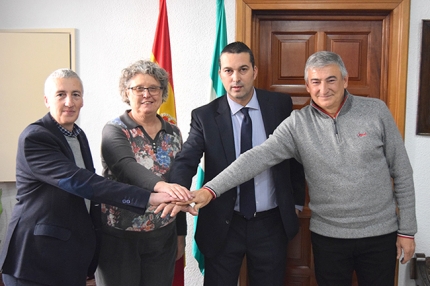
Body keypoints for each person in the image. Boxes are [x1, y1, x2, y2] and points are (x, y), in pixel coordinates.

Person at [190, 51, 417, 286]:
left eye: (331, 80)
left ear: (345, 81)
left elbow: (402, 171)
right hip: (329, 237)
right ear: (308, 86)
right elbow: (256, 158)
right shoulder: (297, 124)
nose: (324, 89)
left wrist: (407, 231)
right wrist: (211, 190)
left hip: (380, 234)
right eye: (316, 82)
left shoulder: (376, 111)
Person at [0, 69, 193, 286]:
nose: (69, 102)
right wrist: (151, 196)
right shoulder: (36, 138)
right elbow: (83, 182)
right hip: (36, 257)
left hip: (69, 253)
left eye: (76, 94)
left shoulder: (77, 134)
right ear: (46, 100)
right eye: (60, 94)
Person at [169, 41, 305, 286]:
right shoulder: (205, 116)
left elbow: (294, 156)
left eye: (243, 69)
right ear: (220, 74)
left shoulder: (279, 105)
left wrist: (296, 201)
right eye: (229, 71)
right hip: (223, 222)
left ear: (254, 71)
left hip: (271, 223)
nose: (236, 78)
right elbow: (187, 158)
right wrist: (176, 190)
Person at [94, 60, 188, 286]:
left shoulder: (173, 132)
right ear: (127, 93)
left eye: (153, 88)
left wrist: (180, 234)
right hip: (119, 238)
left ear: (162, 93)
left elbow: (179, 184)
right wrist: (163, 187)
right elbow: (127, 168)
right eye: (138, 88)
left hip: (162, 236)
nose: (147, 94)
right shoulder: (114, 129)